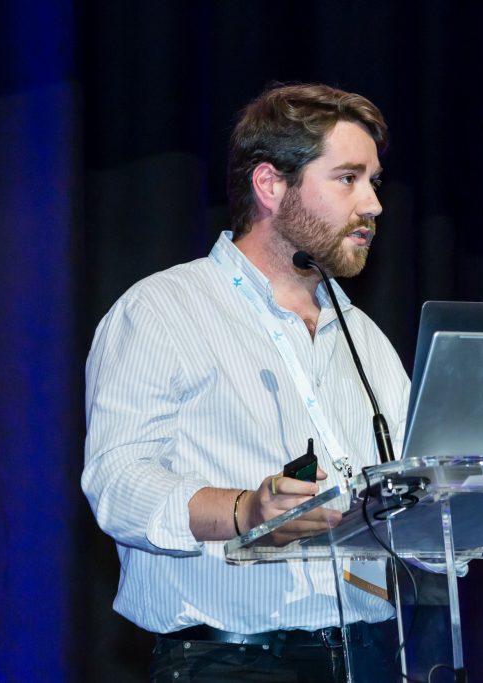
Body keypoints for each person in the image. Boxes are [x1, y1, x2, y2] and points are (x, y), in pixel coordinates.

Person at [82, 83, 411, 682]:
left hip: (371, 658)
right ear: (270, 185)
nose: (373, 204)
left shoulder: (364, 338)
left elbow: (414, 489)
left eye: (374, 182)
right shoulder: (162, 311)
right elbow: (118, 485)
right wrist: (245, 509)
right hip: (231, 661)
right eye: (347, 179)